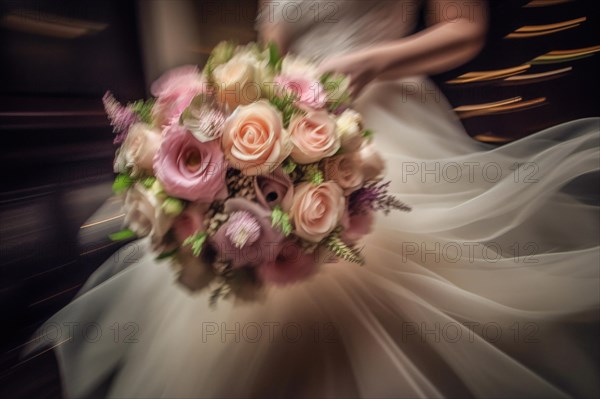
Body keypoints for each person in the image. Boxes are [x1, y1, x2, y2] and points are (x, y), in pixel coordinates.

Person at [27, 1, 599, 398]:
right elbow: (270, 53)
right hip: (285, 127)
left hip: (384, 119)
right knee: (247, 288)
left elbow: (463, 27)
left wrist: (372, 60)